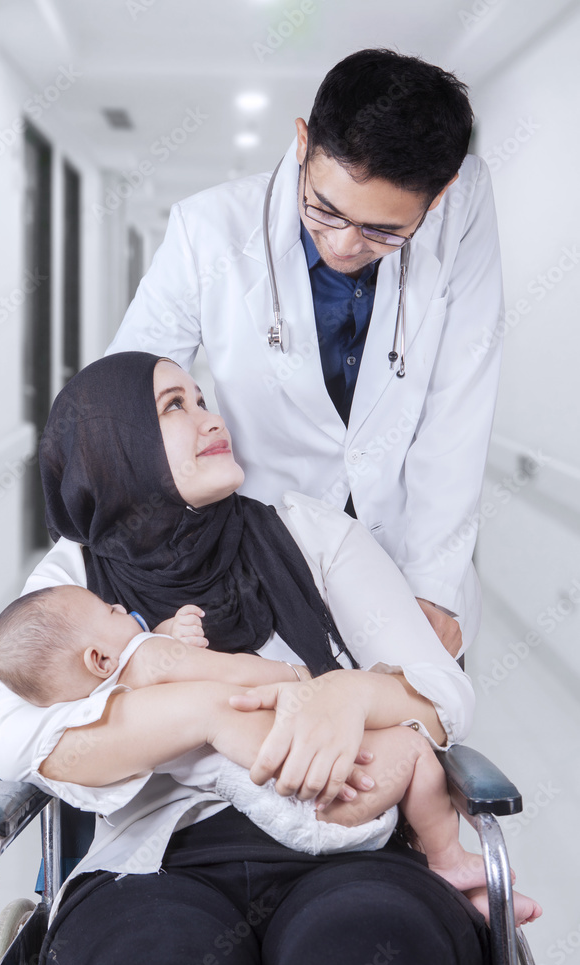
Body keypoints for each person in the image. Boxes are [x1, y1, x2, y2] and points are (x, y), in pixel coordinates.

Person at [0, 352, 493, 965]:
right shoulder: (74, 581)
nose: (210, 417)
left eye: (201, 399)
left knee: (367, 959)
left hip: (346, 843)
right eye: (175, 406)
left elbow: (444, 694)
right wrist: (208, 716)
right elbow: (15, 742)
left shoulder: (310, 533)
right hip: (160, 860)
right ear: (119, 445)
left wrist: (345, 694)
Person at [106, 49, 505, 658]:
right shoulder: (207, 230)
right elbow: (119, 405)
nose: (345, 244)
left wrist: (435, 584)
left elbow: (460, 399)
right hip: (256, 557)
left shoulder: (464, 209)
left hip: (399, 556)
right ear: (302, 142)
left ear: (440, 194)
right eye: (325, 207)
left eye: (384, 231)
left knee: (405, 739)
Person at [0, 582, 541, 928]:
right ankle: (447, 861)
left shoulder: (105, 696)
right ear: (98, 657)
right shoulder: (148, 659)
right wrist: (304, 679)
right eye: (108, 608)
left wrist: (166, 634)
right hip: (302, 797)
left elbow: (150, 662)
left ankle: (462, 885)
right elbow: (232, 680)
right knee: (415, 749)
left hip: (261, 811)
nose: (119, 604)